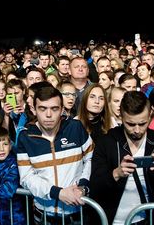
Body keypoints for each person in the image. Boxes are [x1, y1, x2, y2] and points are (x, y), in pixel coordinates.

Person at [90, 90, 154, 224]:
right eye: (130, 124)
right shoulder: (106, 142)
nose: (137, 130)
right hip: (111, 220)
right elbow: (95, 187)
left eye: (142, 123)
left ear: (150, 115)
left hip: (146, 220)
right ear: (121, 116)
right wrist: (116, 174)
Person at [17, 86, 93, 224]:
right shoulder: (25, 136)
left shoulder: (75, 128)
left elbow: (90, 158)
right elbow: (26, 177)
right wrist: (58, 193)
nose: (48, 115)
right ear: (34, 109)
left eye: (54, 109)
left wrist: (83, 185)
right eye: (42, 108)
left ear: (62, 109)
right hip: (44, 216)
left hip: (77, 215)